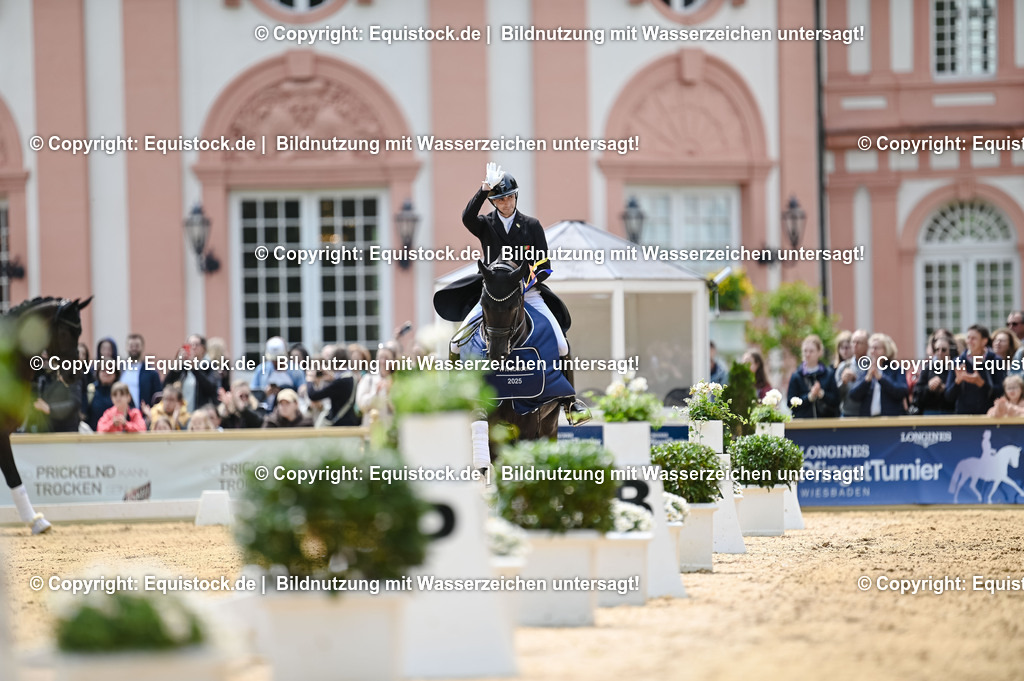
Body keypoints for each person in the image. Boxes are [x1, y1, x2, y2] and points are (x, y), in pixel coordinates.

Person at [436, 162, 586, 422]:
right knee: (456, 342)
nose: (505, 202)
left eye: (508, 197)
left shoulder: (531, 225)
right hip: (494, 296)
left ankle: (570, 403)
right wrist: (483, 190)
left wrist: (525, 284)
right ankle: (453, 398)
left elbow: (544, 266)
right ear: (494, 202)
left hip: (527, 293)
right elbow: (466, 218)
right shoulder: (486, 224)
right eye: (500, 199)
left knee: (561, 343)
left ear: (516, 196)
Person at [849, 334, 907, 416]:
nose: (873, 351)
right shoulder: (865, 369)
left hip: (890, 420)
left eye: (876, 348)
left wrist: (881, 378)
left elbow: (901, 392)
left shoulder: (896, 369)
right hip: (868, 421)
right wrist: (866, 380)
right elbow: (853, 395)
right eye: (871, 348)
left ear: (886, 350)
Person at [945, 324, 998, 414]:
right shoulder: (957, 362)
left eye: (974, 338)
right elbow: (949, 396)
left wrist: (981, 383)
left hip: (989, 418)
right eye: (968, 338)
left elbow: (1001, 392)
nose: (969, 341)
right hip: (963, 418)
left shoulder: (995, 360)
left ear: (984, 341)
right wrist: (957, 381)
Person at [306, 346, 359, 427]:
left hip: (340, 424)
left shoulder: (341, 382)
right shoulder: (351, 377)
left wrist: (309, 380)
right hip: (349, 421)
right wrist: (332, 378)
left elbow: (313, 395)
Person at [788, 334, 839, 418]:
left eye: (811, 351)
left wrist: (822, 394)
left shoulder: (828, 374)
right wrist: (809, 397)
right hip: (803, 424)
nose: (807, 354)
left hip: (826, 423)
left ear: (819, 352)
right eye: (805, 351)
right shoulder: (796, 376)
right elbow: (790, 404)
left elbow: (836, 400)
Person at [164, 334, 219, 413]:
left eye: (196, 345)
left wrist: (194, 368)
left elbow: (210, 389)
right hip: (182, 416)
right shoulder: (183, 368)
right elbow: (166, 385)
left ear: (203, 349)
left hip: (201, 415)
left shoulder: (210, 366)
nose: (193, 347)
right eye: (189, 345)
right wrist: (176, 366)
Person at [911, 332, 955, 415]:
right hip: (930, 412)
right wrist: (929, 387)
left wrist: (946, 388)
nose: (940, 352)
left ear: (951, 351)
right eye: (937, 349)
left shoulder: (956, 367)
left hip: (950, 412)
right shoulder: (928, 368)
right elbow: (917, 393)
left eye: (944, 350)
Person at [120, 333, 162, 410]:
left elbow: (158, 397)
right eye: (131, 346)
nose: (134, 349)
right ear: (126, 347)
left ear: (142, 347)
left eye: (137, 346)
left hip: (144, 416)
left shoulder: (152, 373)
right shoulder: (119, 370)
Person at [357, 344, 396, 426]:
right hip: (370, 430)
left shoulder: (396, 381)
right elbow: (361, 405)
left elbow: (400, 409)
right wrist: (375, 393)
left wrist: (389, 393)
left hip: (390, 430)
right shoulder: (368, 379)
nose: (383, 361)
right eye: (381, 357)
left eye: (387, 358)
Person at [835, 329, 868, 417]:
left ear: (867, 345)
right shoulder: (844, 366)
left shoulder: (872, 365)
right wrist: (843, 382)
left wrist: (857, 379)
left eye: (859, 342)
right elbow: (835, 395)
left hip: (867, 415)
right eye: (853, 342)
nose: (855, 345)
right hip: (847, 414)